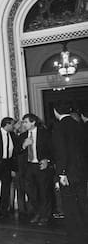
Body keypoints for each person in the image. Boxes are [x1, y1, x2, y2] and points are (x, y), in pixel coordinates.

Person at [52, 103, 88, 243]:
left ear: (56, 111)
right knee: (83, 202)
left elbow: (61, 152)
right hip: (82, 171)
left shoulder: (59, 127)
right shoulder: (79, 125)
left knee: (69, 204)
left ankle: (75, 235)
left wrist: (62, 173)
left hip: (68, 173)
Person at [18, 113, 53, 226]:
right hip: (28, 167)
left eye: (26, 122)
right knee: (31, 192)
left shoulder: (45, 133)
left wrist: (47, 160)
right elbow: (17, 152)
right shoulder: (22, 136)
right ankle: (37, 213)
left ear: (33, 122)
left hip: (40, 166)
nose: (24, 124)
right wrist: (24, 145)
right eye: (23, 122)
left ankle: (45, 216)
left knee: (44, 191)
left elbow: (53, 149)